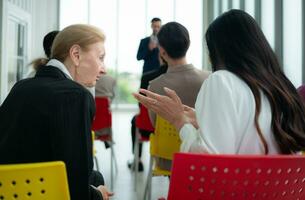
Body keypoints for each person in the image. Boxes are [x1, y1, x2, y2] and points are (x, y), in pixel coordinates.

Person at [134, 9, 305, 156]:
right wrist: (201, 119)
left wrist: (179, 120)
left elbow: (210, 163)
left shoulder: (221, 81)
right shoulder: (282, 87)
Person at [0, 24, 113, 200]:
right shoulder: (75, 96)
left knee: (95, 177)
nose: (103, 68)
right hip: (41, 192)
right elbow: (76, 188)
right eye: (100, 58)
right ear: (76, 55)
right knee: (97, 181)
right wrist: (98, 194)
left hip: (10, 190)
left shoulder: (21, 86)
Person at [147, 22, 210, 171]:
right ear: (187, 45)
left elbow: (154, 123)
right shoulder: (209, 79)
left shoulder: (155, 86)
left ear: (162, 51)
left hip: (168, 157)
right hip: (203, 156)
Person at [128, 57, 168, 172]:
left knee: (135, 120)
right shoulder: (191, 79)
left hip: (148, 128)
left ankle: (137, 159)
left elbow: (141, 104)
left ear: (161, 53)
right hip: (177, 133)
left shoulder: (147, 77)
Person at [94, 74, 116, 148]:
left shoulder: (87, 77)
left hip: (90, 131)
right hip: (105, 131)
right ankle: (107, 139)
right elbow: (113, 95)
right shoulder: (111, 79)